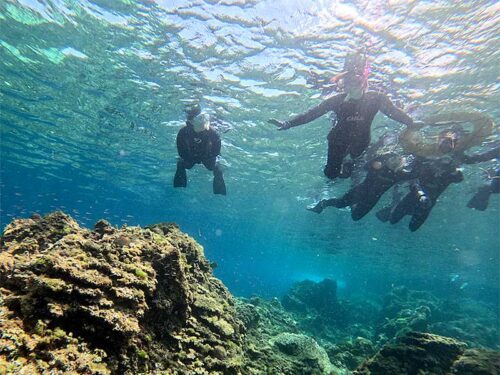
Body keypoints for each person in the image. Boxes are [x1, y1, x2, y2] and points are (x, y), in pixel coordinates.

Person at [269, 52, 418, 180]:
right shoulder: (337, 100)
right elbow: (312, 114)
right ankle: (340, 168)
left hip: (361, 141)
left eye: (355, 81)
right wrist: (288, 123)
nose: (350, 85)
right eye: (346, 81)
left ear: (363, 82)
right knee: (331, 175)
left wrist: (411, 123)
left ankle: (349, 164)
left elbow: (394, 112)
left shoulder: (377, 98)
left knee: (349, 170)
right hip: (337, 140)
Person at [173, 104, 226, 195]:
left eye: (205, 119)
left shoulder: (212, 132)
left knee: (215, 168)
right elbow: (181, 149)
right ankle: (179, 188)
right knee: (184, 164)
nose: (205, 122)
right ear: (191, 121)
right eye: (200, 119)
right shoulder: (184, 132)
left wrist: (208, 157)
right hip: (191, 155)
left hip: (207, 156)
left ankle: (219, 192)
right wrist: (188, 157)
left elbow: (216, 151)